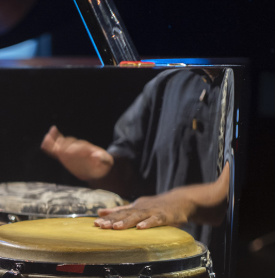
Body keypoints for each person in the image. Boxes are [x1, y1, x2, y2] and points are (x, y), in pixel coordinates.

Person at [41, 68, 234, 241]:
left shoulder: (240, 82)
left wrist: (180, 203)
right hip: (159, 257)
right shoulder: (166, 82)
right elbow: (127, 177)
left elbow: (230, 195)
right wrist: (101, 169)